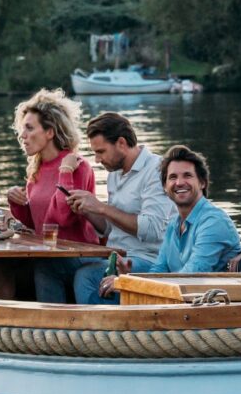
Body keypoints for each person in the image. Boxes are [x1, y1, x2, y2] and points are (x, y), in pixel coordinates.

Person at [100, 145, 240, 299]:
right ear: (165, 187)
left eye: (187, 175)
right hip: (185, 305)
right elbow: (159, 270)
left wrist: (128, 283)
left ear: (202, 183)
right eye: (172, 177)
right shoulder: (174, 224)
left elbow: (190, 276)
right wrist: (128, 278)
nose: (179, 182)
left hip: (216, 311)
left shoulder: (213, 222)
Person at [63, 112, 174, 305]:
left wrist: (101, 207)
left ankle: (96, 331)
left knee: (86, 276)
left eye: (101, 151)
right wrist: (88, 210)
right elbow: (109, 228)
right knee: (52, 266)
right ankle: (57, 326)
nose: (97, 160)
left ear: (121, 143)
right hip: (115, 256)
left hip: (148, 260)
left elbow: (152, 229)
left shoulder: (156, 170)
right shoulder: (115, 173)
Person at [5, 89, 100, 303]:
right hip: (51, 255)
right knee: (17, 266)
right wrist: (17, 203)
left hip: (80, 256)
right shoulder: (36, 168)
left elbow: (64, 217)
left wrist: (65, 173)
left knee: (41, 267)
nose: (23, 135)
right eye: (22, 129)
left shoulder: (77, 165)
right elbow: (37, 223)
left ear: (50, 132)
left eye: (29, 128)